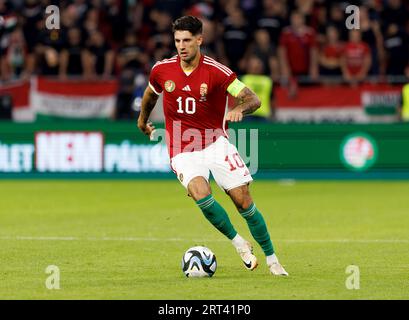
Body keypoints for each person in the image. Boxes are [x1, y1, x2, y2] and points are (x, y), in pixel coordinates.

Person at [137, 15, 288, 276]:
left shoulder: (218, 72)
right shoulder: (161, 70)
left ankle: (273, 260)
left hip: (216, 143)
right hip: (182, 148)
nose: (181, 46)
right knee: (200, 192)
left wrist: (240, 109)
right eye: (177, 41)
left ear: (199, 40)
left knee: (243, 201)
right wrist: (142, 121)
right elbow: (151, 94)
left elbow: (252, 99)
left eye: (186, 40)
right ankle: (239, 243)